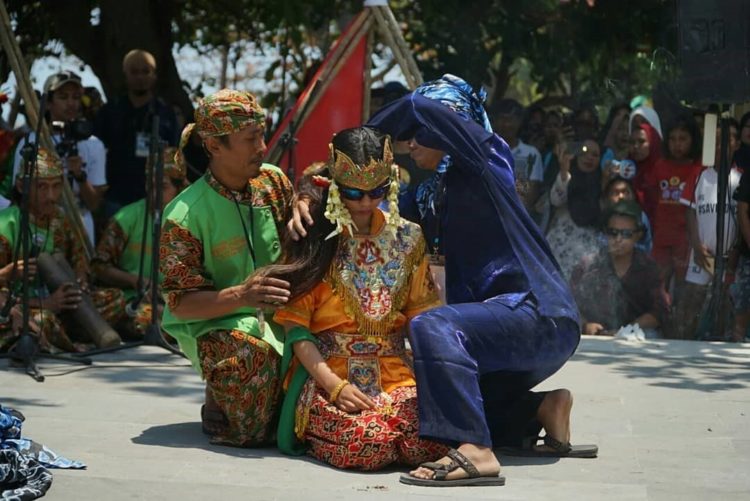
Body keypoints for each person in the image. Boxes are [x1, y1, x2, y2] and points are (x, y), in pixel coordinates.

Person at [293, 74, 596, 486]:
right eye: (407, 136)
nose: (409, 143)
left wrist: (408, 108)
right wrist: (311, 192)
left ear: (451, 129)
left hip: (535, 316)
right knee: (438, 402)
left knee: (430, 325)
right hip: (494, 334)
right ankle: (542, 409)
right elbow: (359, 180)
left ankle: (476, 451)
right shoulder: (428, 194)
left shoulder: (489, 163)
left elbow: (425, 113)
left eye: (419, 134)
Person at [261, 127, 448, 470]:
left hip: (395, 370)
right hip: (328, 370)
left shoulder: (409, 237)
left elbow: (423, 316)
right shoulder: (315, 236)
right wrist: (335, 388)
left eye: (376, 191)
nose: (365, 203)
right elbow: (297, 332)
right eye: (353, 192)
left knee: (431, 439)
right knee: (369, 442)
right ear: (334, 185)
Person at [159, 89, 294, 447]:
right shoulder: (183, 215)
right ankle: (221, 393)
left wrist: (310, 197)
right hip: (217, 323)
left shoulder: (273, 183)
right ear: (214, 147)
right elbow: (181, 304)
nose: (263, 147)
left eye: (262, 135)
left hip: (281, 315)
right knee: (253, 376)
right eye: (251, 139)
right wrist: (243, 294)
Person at [0, 148, 126, 353]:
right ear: (22, 186)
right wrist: (44, 301)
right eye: (42, 187)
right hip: (21, 307)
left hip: (63, 305)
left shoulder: (60, 219)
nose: (51, 196)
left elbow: (80, 260)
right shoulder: (6, 226)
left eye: (56, 186)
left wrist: (80, 280)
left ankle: (64, 332)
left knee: (116, 299)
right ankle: (62, 337)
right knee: (42, 319)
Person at [92, 147, 189, 337]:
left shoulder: (194, 219)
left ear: (180, 187)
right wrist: (136, 281)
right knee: (150, 319)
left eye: (162, 186)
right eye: (150, 185)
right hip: (135, 302)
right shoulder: (125, 219)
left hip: (182, 302)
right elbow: (98, 267)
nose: (154, 193)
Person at [13, 71, 107, 245]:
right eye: (63, 97)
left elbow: (94, 204)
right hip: (39, 226)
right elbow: (19, 194)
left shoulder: (94, 145)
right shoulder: (32, 141)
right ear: (48, 103)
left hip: (80, 222)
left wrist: (79, 175)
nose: (71, 103)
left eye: (76, 97)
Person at [94, 49, 179, 210]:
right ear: (125, 74)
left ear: (154, 75)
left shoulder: (165, 114)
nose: (140, 77)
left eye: (145, 71)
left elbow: (173, 155)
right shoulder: (110, 111)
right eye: (134, 72)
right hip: (116, 196)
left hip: (153, 199)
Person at [571, 200, 669, 338]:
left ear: (638, 235)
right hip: (594, 337)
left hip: (637, 336)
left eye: (626, 234)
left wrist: (627, 330)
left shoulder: (649, 268)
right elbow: (569, 303)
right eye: (613, 232)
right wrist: (585, 325)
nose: (618, 239)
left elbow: (660, 310)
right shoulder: (588, 265)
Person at [680, 119, 741, 340]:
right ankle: (684, 347)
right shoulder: (699, 176)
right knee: (691, 304)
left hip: (729, 257)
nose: (722, 144)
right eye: (716, 140)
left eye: (728, 138)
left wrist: (736, 251)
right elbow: (690, 212)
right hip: (701, 255)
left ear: (736, 143)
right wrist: (696, 247)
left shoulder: (741, 178)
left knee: (725, 304)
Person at [647, 115, 703, 338]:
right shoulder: (660, 166)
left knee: (683, 287)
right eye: (673, 139)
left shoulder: (697, 168)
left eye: (683, 138)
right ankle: (659, 326)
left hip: (685, 238)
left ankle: (680, 333)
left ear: (693, 140)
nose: (677, 144)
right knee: (657, 284)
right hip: (662, 236)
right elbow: (652, 199)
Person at [545, 138, 604, 281]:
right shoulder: (567, 177)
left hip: (588, 254)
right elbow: (556, 200)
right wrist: (564, 170)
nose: (589, 157)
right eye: (584, 152)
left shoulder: (602, 182)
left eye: (595, 155)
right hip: (558, 250)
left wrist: (606, 182)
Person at [491, 98, 544, 213]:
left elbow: (529, 196)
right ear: (494, 121)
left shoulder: (531, 154)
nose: (507, 124)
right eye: (502, 119)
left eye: (511, 119)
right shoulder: (485, 151)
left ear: (520, 122)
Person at [602, 176, 653, 253]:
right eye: (616, 193)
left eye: (626, 192)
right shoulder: (603, 217)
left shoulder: (642, 216)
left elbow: (647, 245)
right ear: (608, 198)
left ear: (633, 195)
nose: (621, 197)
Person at [630, 122, 662, 224]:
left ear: (653, 143)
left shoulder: (663, 173)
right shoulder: (626, 170)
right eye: (632, 142)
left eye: (641, 141)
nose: (635, 146)